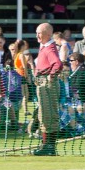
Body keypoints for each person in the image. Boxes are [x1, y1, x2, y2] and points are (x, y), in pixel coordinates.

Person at [32, 22, 63, 155]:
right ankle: (47, 146)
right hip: (43, 80)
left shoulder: (49, 48)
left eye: (40, 33)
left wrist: (51, 76)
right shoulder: (44, 47)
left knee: (47, 114)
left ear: (48, 34)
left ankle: (48, 147)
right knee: (45, 114)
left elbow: (58, 63)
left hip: (46, 82)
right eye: (37, 32)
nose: (37, 35)